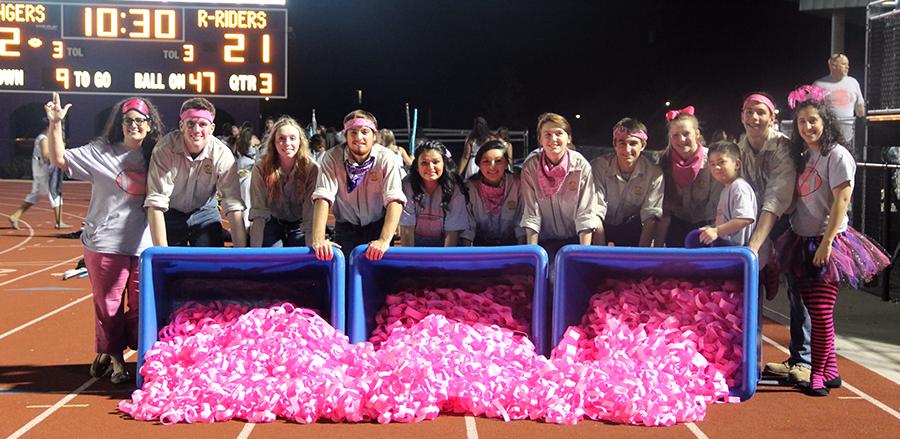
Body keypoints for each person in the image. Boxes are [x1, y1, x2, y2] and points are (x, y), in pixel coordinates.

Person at [44, 92, 164, 384]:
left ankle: (110, 349)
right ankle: (116, 360)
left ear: (150, 125)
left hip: (144, 245)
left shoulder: (158, 155)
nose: (133, 125)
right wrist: (56, 123)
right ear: (120, 124)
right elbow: (58, 158)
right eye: (128, 121)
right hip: (104, 243)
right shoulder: (101, 152)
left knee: (141, 306)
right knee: (108, 306)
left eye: (139, 120)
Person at [777, 85, 888, 396]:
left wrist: (826, 244)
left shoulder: (836, 155)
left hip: (828, 242)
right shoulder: (802, 156)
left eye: (812, 120)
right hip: (801, 238)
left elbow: (842, 201)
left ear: (825, 121)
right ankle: (832, 371)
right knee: (815, 311)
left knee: (822, 314)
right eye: (801, 122)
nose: (807, 127)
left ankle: (817, 374)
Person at [736, 91, 808, 384]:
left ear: (772, 117)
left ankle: (803, 360)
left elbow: (776, 200)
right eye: (749, 112)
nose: (754, 118)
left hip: (787, 223)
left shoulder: (782, 147)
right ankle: (750, 358)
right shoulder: (738, 147)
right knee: (750, 289)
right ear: (741, 116)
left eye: (761, 113)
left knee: (799, 292)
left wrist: (753, 247)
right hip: (753, 222)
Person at [144, 98, 246, 247]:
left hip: (205, 211)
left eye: (203, 124)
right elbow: (156, 202)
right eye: (190, 123)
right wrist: (162, 256)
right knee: (170, 266)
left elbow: (233, 203)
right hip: (170, 213)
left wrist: (241, 255)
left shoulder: (222, 154)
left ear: (211, 128)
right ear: (181, 125)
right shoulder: (164, 150)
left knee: (211, 265)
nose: (196, 130)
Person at [310, 110, 406, 261]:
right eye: (353, 132)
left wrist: (384, 240)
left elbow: (395, 199)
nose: (358, 137)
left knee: (380, 278)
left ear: (374, 136)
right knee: (345, 275)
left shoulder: (386, 158)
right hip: (346, 228)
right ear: (345, 136)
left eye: (364, 132)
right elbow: (323, 197)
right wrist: (318, 239)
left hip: (378, 226)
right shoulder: (331, 157)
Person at [520, 113, 599, 258]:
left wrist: (582, 255)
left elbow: (585, 213)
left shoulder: (581, 166)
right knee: (549, 276)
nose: (553, 139)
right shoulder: (530, 166)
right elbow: (532, 213)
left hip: (574, 241)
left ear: (569, 138)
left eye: (558, 133)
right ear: (540, 140)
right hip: (544, 242)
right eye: (547, 134)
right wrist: (533, 257)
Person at [656, 106, 722, 247]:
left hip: (707, 225)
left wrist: (713, 229)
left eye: (686, 133)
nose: (681, 139)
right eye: (675, 135)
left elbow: (717, 202)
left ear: (697, 134)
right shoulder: (663, 162)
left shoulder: (712, 160)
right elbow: (663, 208)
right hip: (675, 224)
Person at [591, 118, 663, 247]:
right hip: (601, 227)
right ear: (614, 144)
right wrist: (600, 252)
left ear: (643, 146)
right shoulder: (598, 167)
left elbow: (650, 217)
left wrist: (641, 256)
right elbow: (595, 212)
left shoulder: (654, 174)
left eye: (633, 143)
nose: (627, 149)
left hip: (632, 228)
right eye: (622, 143)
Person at [249, 117, 318, 247]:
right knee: (271, 261)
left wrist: (311, 249)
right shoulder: (261, 167)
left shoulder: (311, 169)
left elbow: (310, 215)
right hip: (272, 221)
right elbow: (259, 212)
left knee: (300, 263)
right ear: (274, 143)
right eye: (281, 138)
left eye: (292, 138)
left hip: (300, 224)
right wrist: (255, 254)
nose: (287, 143)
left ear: (300, 142)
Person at [685, 140, 756, 248]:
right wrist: (711, 228)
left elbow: (745, 218)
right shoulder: (725, 189)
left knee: (693, 241)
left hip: (736, 247)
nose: (716, 167)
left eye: (721, 162)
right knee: (694, 237)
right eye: (712, 164)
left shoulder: (739, 187)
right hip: (725, 242)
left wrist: (716, 231)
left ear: (737, 164)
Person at [399, 140, 469, 247]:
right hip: (415, 245)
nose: (430, 167)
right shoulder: (408, 185)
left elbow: (452, 233)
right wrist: (410, 261)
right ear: (417, 166)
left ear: (444, 163)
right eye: (424, 163)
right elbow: (406, 227)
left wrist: (445, 262)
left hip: (445, 246)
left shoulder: (454, 187)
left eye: (436, 162)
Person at [8, 121, 70, 230]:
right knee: (54, 193)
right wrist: (59, 154)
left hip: (39, 170)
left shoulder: (44, 138)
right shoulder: (43, 138)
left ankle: (15, 216)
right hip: (44, 170)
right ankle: (59, 222)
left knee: (35, 194)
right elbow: (46, 155)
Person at [465, 139, 523, 246]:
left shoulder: (517, 184)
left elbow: (521, 223)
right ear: (478, 164)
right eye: (486, 161)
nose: (492, 166)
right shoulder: (470, 188)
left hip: (512, 247)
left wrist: (522, 255)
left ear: (506, 164)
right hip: (480, 248)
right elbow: (468, 228)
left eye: (498, 161)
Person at [813, 53, 865, 147]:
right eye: (844, 64)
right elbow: (811, 110)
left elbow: (860, 108)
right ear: (833, 66)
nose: (847, 67)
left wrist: (862, 119)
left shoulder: (853, 82)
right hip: (826, 137)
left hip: (849, 137)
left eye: (848, 64)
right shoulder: (818, 85)